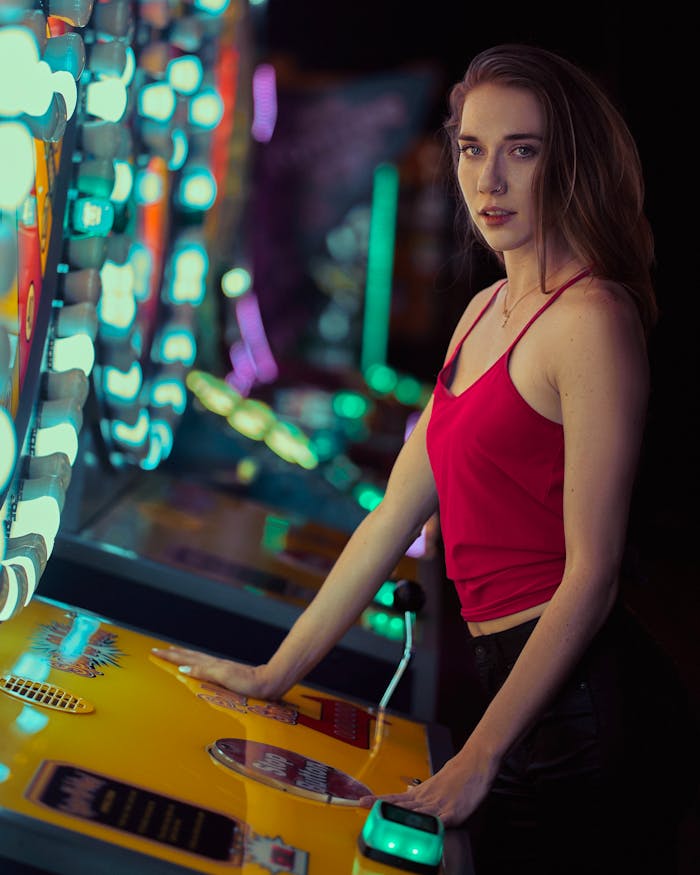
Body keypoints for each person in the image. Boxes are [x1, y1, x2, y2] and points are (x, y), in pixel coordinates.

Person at [153, 44, 696, 874]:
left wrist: (477, 757)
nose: (490, 182)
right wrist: (271, 673)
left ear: (571, 162)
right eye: (473, 149)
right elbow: (390, 517)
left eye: (523, 149)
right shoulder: (483, 310)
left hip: (587, 711)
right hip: (517, 690)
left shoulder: (592, 319)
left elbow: (593, 575)